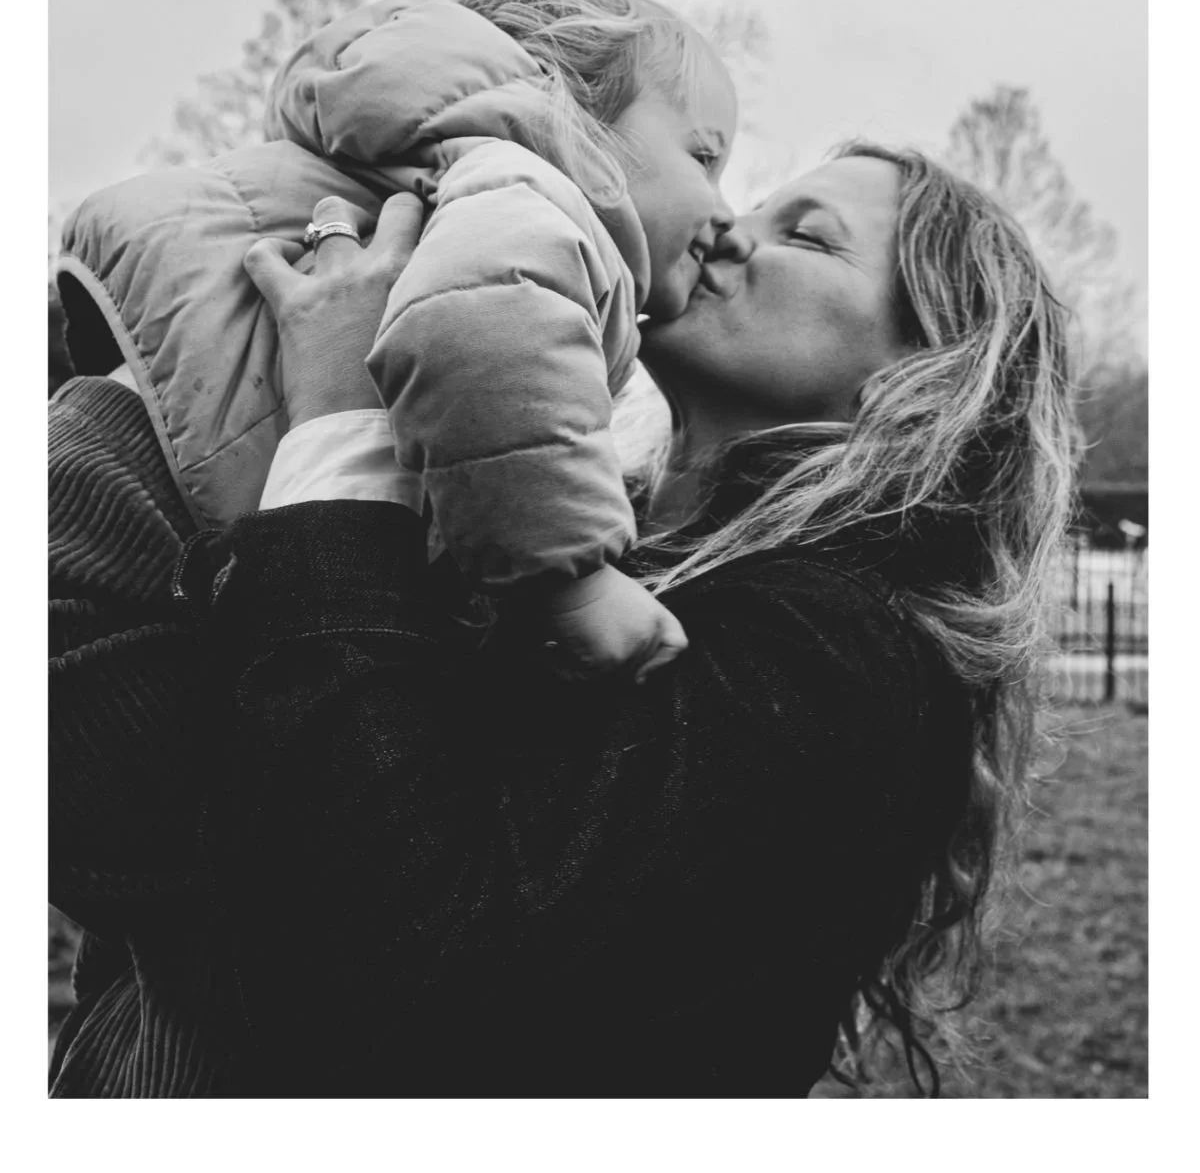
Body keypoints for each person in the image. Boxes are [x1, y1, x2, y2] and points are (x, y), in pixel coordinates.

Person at [48, 142, 1077, 1098]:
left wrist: (338, 429)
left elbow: (397, 966)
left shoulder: (835, 648)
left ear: (925, 371)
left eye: (806, 235)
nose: (728, 226)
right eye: (755, 203)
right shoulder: (585, 552)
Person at [56, 0, 737, 679]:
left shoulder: (457, 188)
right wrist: (575, 583)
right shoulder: (530, 189)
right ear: (579, 112)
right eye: (704, 157)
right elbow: (479, 335)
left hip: (128, 465)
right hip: (127, 513)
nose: (726, 211)